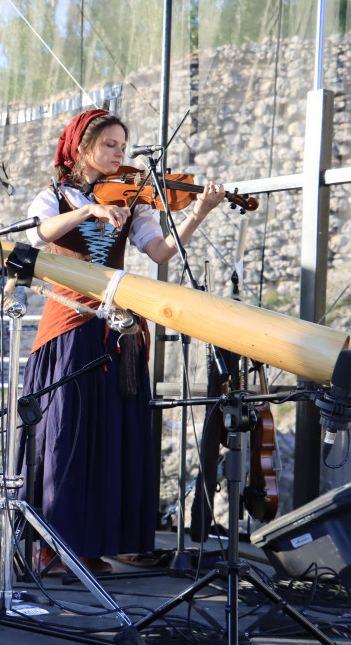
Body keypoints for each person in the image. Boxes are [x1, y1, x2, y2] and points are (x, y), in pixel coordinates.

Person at [20, 109, 225, 574]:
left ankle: (93, 546)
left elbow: (162, 252)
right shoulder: (53, 195)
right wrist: (89, 209)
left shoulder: (132, 198)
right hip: (69, 326)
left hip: (113, 329)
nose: (120, 155)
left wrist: (198, 211)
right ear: (82, 147)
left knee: (108, 439)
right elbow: (37, 234)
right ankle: (52, 547)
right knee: (66, 435)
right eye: (110, 145)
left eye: (122, 146)